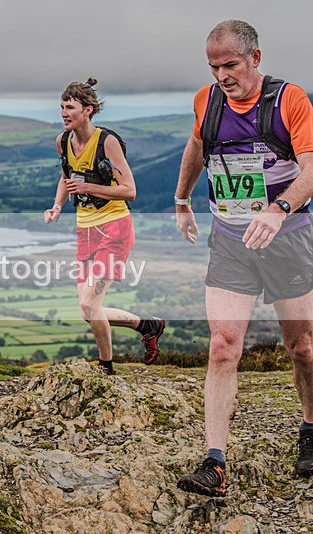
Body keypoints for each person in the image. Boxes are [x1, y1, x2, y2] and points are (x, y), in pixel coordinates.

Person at [174, 20, 313, 497]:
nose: (221, 76)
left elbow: (312, 167)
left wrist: (279, 209)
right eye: (213, 67)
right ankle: (215, 462)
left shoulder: (289, 100)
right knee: (222, 344)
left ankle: (311, 428)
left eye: (230, 65)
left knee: (302, 348)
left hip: (287, 236)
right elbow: (197, 144)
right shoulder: (206, 101)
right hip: (231, 239)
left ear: (255, 58)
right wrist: (181, 198)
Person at [43, 79, 165, 376]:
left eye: (69, 107)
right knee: (88, 311)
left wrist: (88, 187)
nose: (63, 112)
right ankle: (147, 326)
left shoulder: (106, 142)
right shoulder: (63, 141)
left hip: (114, 228)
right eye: (61, 107)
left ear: (88, 110)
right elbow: (65, 177)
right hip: (85, 231)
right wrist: (57, 206)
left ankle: (106, 367)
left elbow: (129, 190)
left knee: (89, 303)